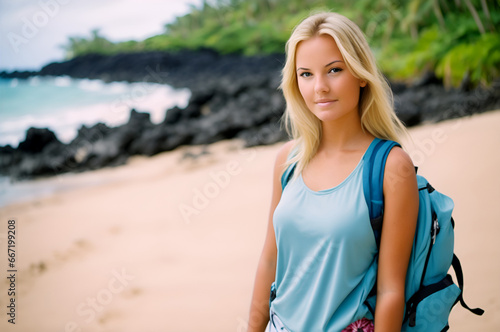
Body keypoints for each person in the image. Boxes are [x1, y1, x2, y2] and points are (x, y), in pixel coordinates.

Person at [247, 12, 419, 332]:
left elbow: (391, 289)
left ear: (361, 73)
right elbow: (269, 261)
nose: (320, 87)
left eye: (334, 70)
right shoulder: (289, 161)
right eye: (306, 74)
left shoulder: (391, 167)